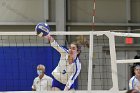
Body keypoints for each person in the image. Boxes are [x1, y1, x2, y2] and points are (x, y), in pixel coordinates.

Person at [35, 23, 82, 91]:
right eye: (70, 48)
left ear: (78, 52)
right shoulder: (64, 52)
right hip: (57, 81)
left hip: (68, 84)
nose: (71, 50)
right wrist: (48, 36)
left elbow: (72, 79)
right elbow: (56, 45)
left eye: (73, 48)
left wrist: (65, 90)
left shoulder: (77, 65)